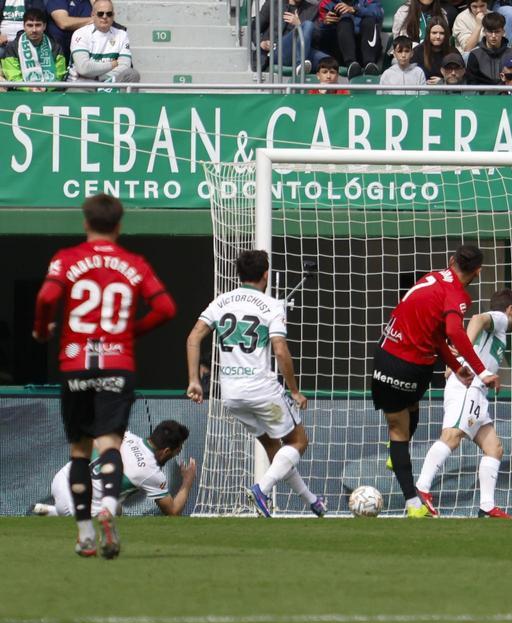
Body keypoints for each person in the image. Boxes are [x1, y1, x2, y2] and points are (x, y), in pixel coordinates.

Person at [32, 194, 176, 559]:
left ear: (85, 223)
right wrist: (131, 333)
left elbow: (47, 296)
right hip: (117, 364)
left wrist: (41, 331)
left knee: (81, 452)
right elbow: (165, 308)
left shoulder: (66, 259)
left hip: (76, 363)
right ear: (119, 225)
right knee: (110, 444)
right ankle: (109, 506)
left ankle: (84, 534)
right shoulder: (134, 263)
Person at [185, 250, 325, 518]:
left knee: (275, 448)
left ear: (239, 274)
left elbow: (193, 338)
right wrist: (294, 390)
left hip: (232, 396)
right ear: (266, 274)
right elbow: (281, 351)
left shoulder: (221, 301)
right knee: (297, 442)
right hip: (262, 391)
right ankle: (261, 490)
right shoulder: (270, 305)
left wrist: (194, 380)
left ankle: (312, 501)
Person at [371, 245, 500, 518]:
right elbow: (453, 331)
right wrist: (481, 371)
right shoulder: (458, 296)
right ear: (478, 272)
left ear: (451, 261)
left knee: (400, 423)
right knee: (402, 429)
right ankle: (413, 502)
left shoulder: (430, 278)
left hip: (384, 355)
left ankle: (398, 458)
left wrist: (455, 366)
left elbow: (436, 335)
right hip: (413, 366)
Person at [416, 289, 512, 518]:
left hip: (479, 392)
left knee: (494, 448)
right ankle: (422, 488)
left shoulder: (499, 332)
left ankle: (486, 506)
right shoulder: (501, 318)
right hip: (469, 387)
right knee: (453, 436)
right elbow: (477, 319)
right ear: (510, 309)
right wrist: (459, 353)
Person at [34, 421, 195, 519]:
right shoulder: (152, 472)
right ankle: (58, 512)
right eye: (177, 451)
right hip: (75, 503)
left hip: (62, 477)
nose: (177, 453)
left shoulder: (126, 435)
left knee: (116, 509)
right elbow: (173, 512)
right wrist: (187, 482)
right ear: (166, 451)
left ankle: (52, 510)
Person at [67, 0, 139, 85]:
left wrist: (100, 78)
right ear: (93, 15)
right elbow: (83, 68)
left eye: (109, 14)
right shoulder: (80, 33)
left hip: (109, 82)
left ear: (113, 16)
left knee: (133, 75)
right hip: (82, 84)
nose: (104, 17)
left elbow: (125, 66)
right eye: (100, 14)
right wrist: (112, 64)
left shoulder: (122, 34)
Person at [1, 8, 67, 89]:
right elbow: (12, 75)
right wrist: (29, 89)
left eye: (38, 25)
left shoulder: (55, 47)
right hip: (21, 94)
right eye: (30, 25)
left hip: (50, 94)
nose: (34, 30)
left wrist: (47, 88)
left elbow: (59, 74)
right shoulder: (13, 47)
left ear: (44, 26)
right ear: (24, 26)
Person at [314, 0, 383, 73]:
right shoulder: (326, 2)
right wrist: (325, 24)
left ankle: (370, 64)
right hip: (341, 51)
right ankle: (351, 65)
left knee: (369, 20)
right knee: (345, 21)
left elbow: (378, 13)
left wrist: (355, 10)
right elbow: (319, 35)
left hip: (366, 47)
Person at [256, 0, 321, 73]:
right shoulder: (273, 3)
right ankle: (300, 64)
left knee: (328, 61)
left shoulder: (312, 9)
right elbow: (254, 28)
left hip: (301, 50)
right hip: (276, 51)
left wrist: (299, 24)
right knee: (308, 24)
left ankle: (300, 64)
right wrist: (261, 42)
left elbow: (316, 36)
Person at [465, 11, 512, 84]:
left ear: (503, 32)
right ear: (484, 32)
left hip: (506, 94)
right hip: (481, 95)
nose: (493, 36)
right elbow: (471, 85)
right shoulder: (474, 55)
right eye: (490, 32)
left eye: (497, 32)